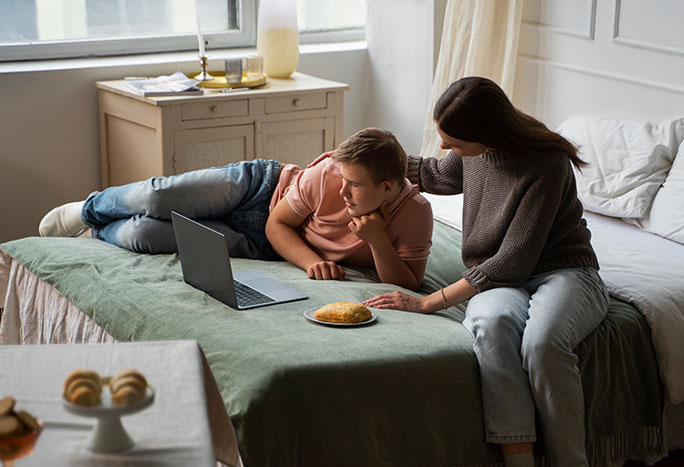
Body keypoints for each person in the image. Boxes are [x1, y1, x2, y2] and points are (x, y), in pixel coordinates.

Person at [363, 77, 609, 467]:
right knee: (492, 328)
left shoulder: (546, 162)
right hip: (499, 276)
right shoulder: (474, 149)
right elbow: (439, 175)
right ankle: (520, 460)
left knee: (542, 345)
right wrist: (367, 166)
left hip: (564, 272)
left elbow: (514, 260)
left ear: (487, 133)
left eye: (454, 142)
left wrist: (429, 302)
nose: (445, 147)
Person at [39, 127, 433, 290]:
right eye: (341, 178)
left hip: (258, 244)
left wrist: (378, 241)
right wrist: (311, 261)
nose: (342, 188)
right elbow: (281, 222)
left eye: (354, 185)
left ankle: (98, 231)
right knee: (157, 198)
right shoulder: (327, 174)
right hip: (260, 189)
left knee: (144, 235)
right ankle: (90, 208)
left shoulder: (415, 214)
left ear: (386, 187)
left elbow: (409, 286)